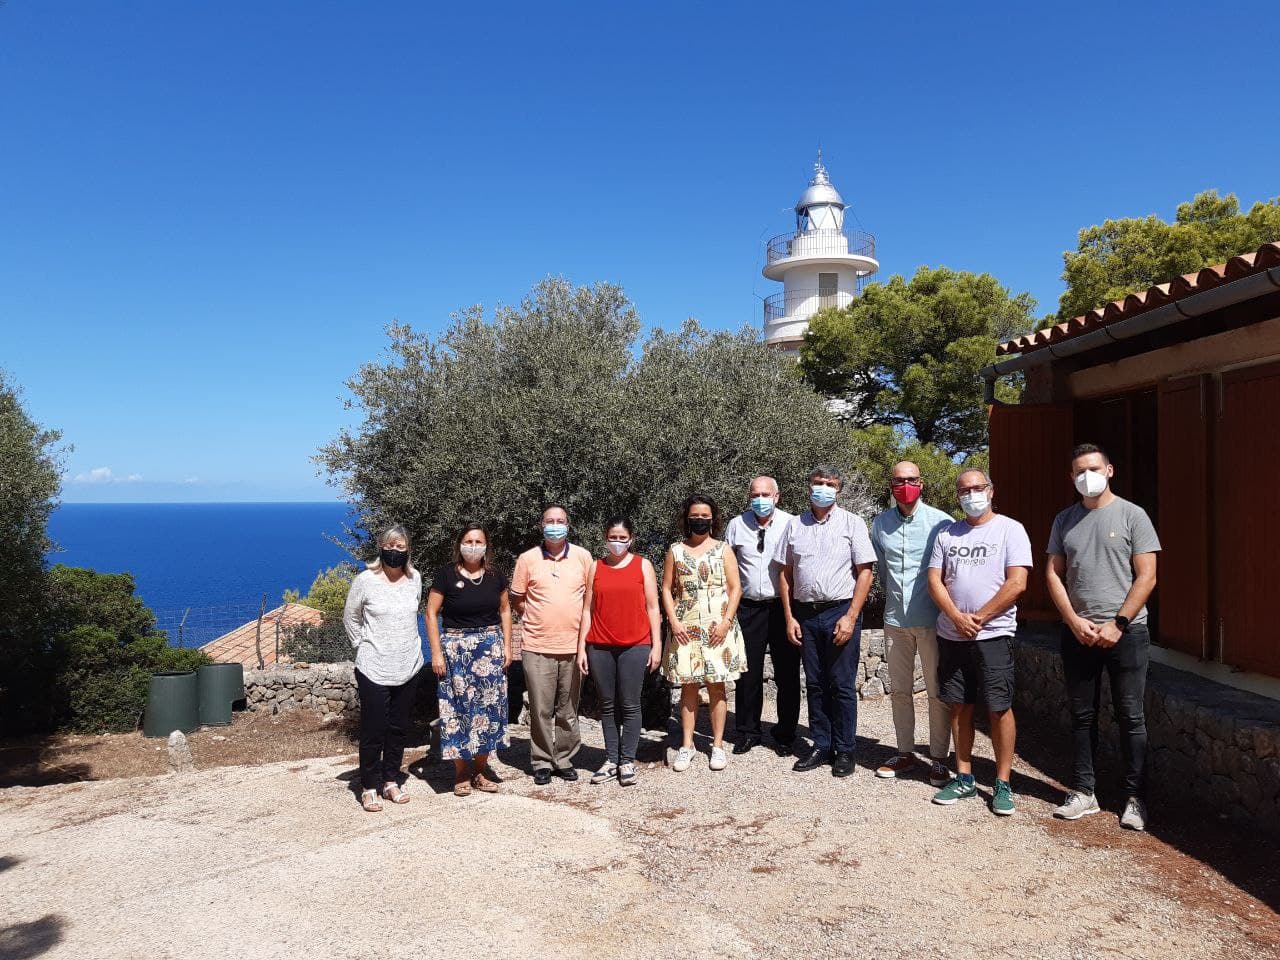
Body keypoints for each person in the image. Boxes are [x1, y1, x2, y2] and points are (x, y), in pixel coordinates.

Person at [1047, 443, 1160, 831]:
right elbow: (1052, 574)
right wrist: (1073, 620)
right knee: (1082, 716)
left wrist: (1119, 623)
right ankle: (1084, 791)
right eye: (1079, 471)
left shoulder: (1133, 515)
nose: (1086, 476)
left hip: (1126, 634)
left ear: (1109, 470)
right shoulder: (1064, 520)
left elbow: (1147, 575)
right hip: (1079, 633)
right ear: (1072, 477)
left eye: (1093, 468)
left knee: (1131, 716)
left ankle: (1135, 799)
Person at [927, 469, 1031, 816]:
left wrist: (980, 618)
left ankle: (1003, 782)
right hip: (952, 634)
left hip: (994, 634)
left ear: (991, 490)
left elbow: (1017, 583)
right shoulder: (947, 533)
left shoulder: (1010, 530)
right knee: (959, 705)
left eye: (977, 488)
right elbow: (935, 580)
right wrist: (957, 617)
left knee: (999, 706)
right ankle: (965, 776)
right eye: (964, 489)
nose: (971, 494)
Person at [775, 465, 876, 778]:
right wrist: (790, 616)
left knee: (842, 684)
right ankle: (821, 744)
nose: (823, 488)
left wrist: (851, 616)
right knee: (815, 683)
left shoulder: (852, 523)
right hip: (806, 614)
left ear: (839, 490)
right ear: (809, 486)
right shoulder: (794, 525)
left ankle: (845, 749)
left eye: (830, 484)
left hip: (840, 611)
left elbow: (866, 571)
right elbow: (784, 573)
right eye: (818, 482)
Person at [870, 461, 954, 787]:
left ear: (922, 482)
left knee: (936, 692)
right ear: (890, 485)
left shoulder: (942, 522)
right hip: (895, 620)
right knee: (900, 692)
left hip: (933, 620)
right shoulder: (880, 524)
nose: (905, 485)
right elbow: (880, 569)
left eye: (911, 479)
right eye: (899, 480)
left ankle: (938, 759)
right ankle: (904, 752)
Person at [426, 524, 513, 797]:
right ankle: (461, 773)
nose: (473, 545)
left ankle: (480, 771)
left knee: (488, 711)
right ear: (459, 545)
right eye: (468, 540)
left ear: (486, 546)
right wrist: (437, 652)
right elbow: (431, 614)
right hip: (456, 651)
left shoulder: (496, 576)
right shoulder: (445, 576)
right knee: (458, 711)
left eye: (478, 541)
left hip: (489, 649)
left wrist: (507, 646)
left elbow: (506, 610)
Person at [661, 493, 747, 772]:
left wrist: (726, 622)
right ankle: (687, 746)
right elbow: (666, 588)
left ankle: (718, 746)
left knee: (717, 686)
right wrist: (673, 621)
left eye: (705, 517)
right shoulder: (675, 550)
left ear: (713, 518)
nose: (700, 521)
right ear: (687, 518)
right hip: (685, 627)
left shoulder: (723, 549)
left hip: (718, 628)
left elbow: (735, 588)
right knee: (687, 686)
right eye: (695, 516)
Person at [343, 525, 425, 812]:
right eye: (390, 545)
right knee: (373, 729)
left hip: (409, 665)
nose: (395, 551)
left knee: (399, 728)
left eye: (401, 547)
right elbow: (350, 617)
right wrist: (361, 644)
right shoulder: (365, 580)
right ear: (380, 547)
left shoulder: (415, 579)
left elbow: (413, 614)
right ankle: (368, 786)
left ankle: (391, 780)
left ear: (408, 550)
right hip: (373, 666)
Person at [510, 505, 593, 785]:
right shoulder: (527, 559)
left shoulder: (583, 557)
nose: (554, 525)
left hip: (573, 647)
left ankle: (565, 758)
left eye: (560, 521)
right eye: (549, 521)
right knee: (541, 708)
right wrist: (538, 617)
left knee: (568, 708)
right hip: (536, 646)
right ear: (540, 525)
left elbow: (590, 601)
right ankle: (542, 761)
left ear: (568, 525)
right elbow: (518, 599)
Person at [577, 516, 662, 786]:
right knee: (607, 704)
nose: (617, 542)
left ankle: (627, 760)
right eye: (612, 537)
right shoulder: (595, 567)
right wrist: (582, 648)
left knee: (630, 703)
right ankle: (611, 759)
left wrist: (656, 644)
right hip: (600, 645)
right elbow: (588, 609)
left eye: (622, 538)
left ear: (631, 539)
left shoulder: (643, 566)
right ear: (605, 538)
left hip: (636, 644)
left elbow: (652, 607)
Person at [724, 475, 799, 756]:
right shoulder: (736, 525)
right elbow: (727, 567)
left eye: (766, 494)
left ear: (777, 497)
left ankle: (785, 734)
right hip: (748, 607)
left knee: (788, 673)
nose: (761, 499)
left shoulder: (792, 524)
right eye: (756, 494)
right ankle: (747, 731)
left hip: (783, 608)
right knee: (748, 672)